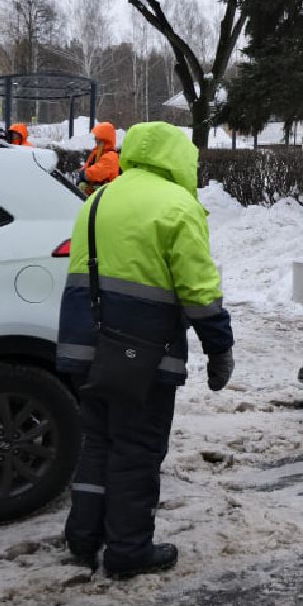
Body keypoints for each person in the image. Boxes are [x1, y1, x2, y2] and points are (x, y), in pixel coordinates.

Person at [56, 121, 235, 579]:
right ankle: (128, 550)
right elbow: (198, 289)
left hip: (83, 345)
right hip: (140, 355)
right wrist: (220, 347)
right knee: (136, 450)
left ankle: (83, 538)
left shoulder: (99, 198)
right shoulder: (177, 206)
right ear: (179, 158)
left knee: (97, 443)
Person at [78, 121, 121, 196]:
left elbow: (96, 173)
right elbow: (86, 167)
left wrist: (83, 175)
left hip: (106, 195)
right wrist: (81, 176)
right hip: (96, 193)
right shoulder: (97, 152)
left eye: (97, 137)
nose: (95, 139)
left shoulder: (111, 157)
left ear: (103, 139)